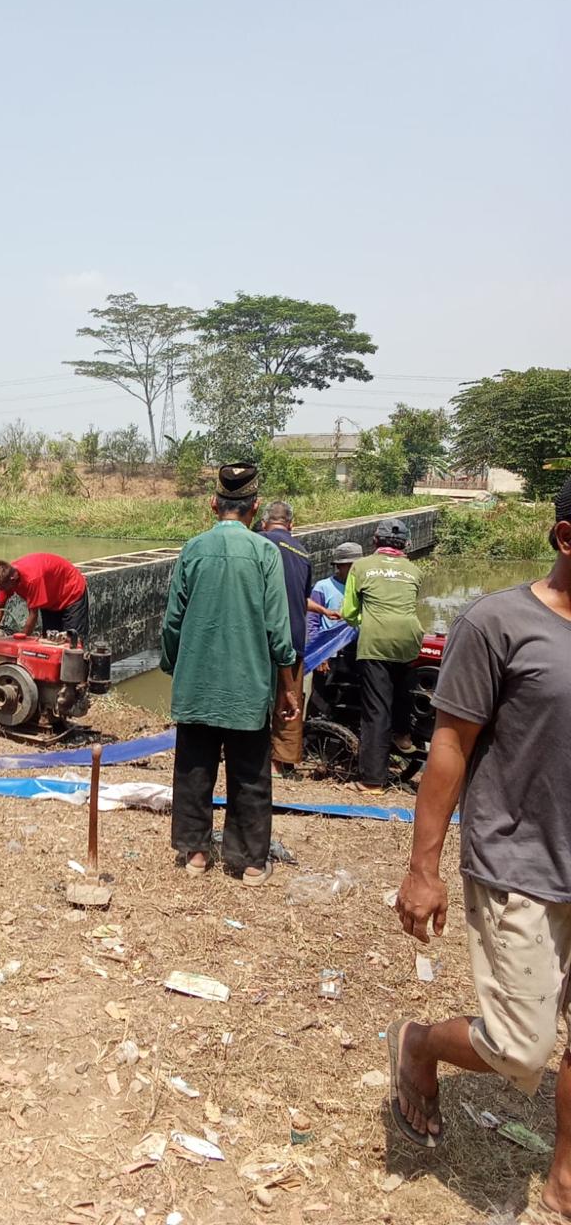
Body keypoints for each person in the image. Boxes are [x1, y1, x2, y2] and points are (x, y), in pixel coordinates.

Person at [389, 477, 571, 1221]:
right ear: (566, 538)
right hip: (520, 863)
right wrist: (421, 868)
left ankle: (563, 1177)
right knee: (521, 1051)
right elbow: (450, 749)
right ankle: (422, 1043)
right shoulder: (498, 622)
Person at [160, 463, 299, 888]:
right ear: (254, 508)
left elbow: (172, 622)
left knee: (193, 769)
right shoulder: (265, 553)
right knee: (250, 774)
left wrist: (173, 665)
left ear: (213, 504)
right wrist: (288, 686)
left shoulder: (193, 549)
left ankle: (197, 853)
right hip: (248, 686)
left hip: (198, 684)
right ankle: (251, 863)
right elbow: (279, 628)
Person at [341, 518, 423, 793]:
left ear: (375, 541)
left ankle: (372, 781)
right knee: (400, 693)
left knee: (376, 710)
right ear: (405, 545)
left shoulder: (361, 566)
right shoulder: (414, 570)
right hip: (410, 638)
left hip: (376, 642)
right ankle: (403, 735)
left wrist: (368, 620)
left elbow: (349, 612)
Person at [259, 501, 339, 778]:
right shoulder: (302, 553)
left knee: (254, 695)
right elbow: (301, 599)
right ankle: (280, 762)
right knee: (289, 697)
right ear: (292, 525)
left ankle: (246, 753)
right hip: (293, 636)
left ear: (263, 522)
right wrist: (325, 610)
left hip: (259, 635)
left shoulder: (257, 542)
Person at [0, 553, 90, 646]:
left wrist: (19, 643)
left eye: (1, 588)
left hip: (71, 592)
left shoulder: (32, 579)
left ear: (13, 579)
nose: (0, 590)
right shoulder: (6, 577)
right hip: (50, 598)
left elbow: (33, 615)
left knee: (73, 643)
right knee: (50, 641)